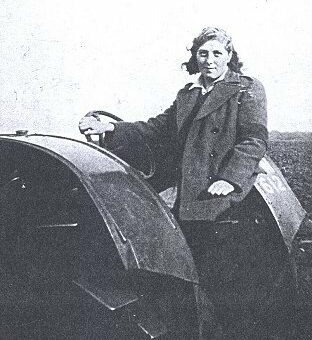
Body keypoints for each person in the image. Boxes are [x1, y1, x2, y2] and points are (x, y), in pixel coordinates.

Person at [79, 27, 295, 339]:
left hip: (227, 194)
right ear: (195, 56)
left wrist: (229, 179)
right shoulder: (189, 94)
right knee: (187, 269)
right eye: (203, 53)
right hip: (192, 193)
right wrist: (111, 127)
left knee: (223, 278)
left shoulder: (246, 89)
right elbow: (156, 129)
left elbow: (253, 140)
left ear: (230, 57)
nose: (209, 60)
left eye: (217, 53)